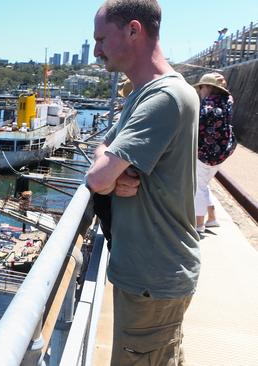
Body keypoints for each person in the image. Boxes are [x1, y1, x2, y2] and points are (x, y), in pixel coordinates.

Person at [86, 1, 201, 365]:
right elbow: (102, 152)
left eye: (102, 38)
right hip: (147, 275)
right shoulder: (141, 94)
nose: (96, 50)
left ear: (134, 30)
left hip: (154, 276)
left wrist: (109, 174)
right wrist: (111, 171)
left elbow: (97, 176)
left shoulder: (163, 97)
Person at [192, 72, 236, 233]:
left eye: (201, 87)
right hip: (222, 152)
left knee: (197, 187)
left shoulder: (207, 106)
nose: (200, 91)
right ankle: (212, 218)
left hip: (205, 153)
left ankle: (198, 224)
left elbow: (195, 127)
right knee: (203, 184)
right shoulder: (227, 102)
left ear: (208, 87)